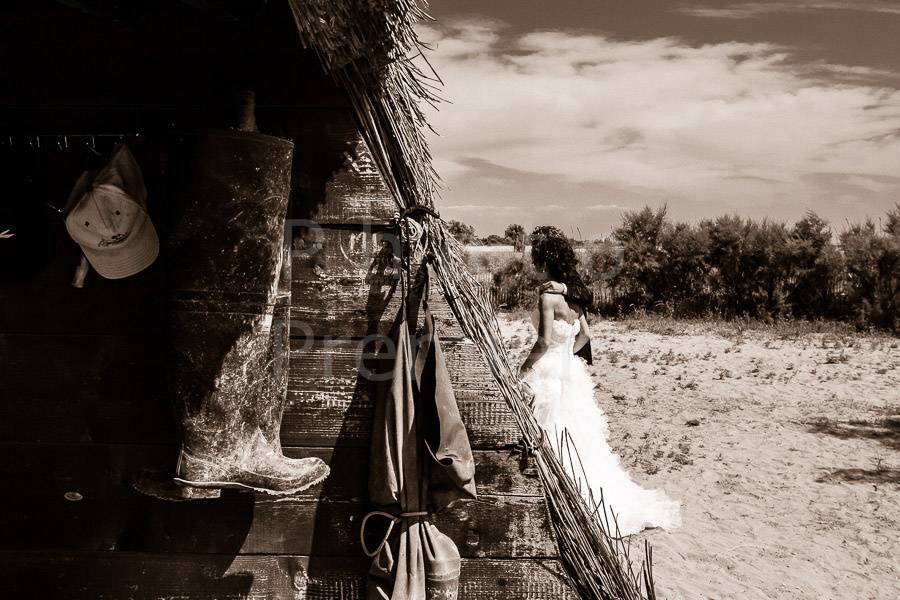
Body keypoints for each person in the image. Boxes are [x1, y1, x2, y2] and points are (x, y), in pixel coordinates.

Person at [518, 226, 681, 535]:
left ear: (541, 261)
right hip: (569, 371)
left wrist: (524, 369)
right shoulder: (575, 298)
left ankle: (555, 499)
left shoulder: (549, 296)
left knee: (549, 432)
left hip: (549, 371)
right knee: (577, 437)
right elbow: (585, 336)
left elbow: (541, 342)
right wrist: (566, 355)